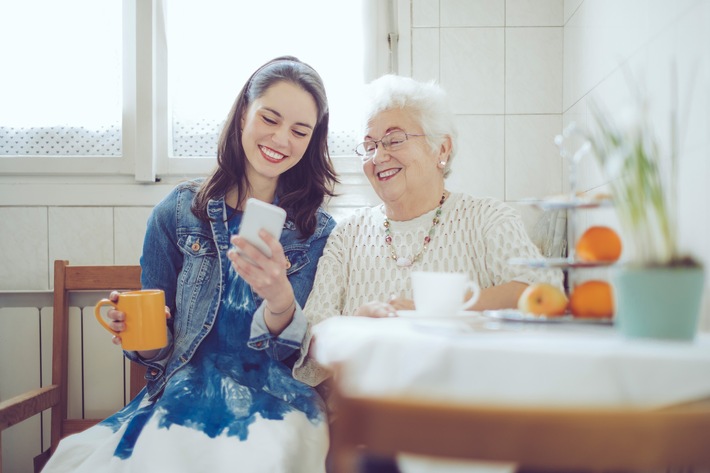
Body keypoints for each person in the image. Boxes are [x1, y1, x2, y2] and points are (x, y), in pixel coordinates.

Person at [42, 56, 338, 473]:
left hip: (276, 402)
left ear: (311, 140)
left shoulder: (319, 231)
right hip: (182, 394)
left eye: (299, 130)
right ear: (242, 116)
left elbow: (298, 359)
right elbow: (156, 352)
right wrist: (139, 335)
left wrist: (279, 299)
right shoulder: (177, 213)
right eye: (269, 118)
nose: (281, 138)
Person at [293, 73, 563, 398]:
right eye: (369, 146)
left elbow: (545, 291)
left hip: (466, 408)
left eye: (394, 140)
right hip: (366, 420)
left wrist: (439, 309)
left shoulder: (486, 217)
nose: (378, 157)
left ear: (441, 149)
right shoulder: (347, 236)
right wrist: (354, 326)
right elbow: (309, 343)